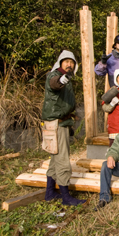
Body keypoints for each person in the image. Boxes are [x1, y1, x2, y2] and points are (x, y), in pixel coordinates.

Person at [42, 50, 85, 206]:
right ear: (60, 63)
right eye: (66, 62)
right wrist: (63, 79)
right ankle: (66, 197)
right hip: (56, 124)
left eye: (72, 62)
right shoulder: (55, 76)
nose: (69, 64)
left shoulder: (67, 79)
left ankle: (50, 193)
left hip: (58, 123)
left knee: (54, 159)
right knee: (62, 159)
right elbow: (55, 83)